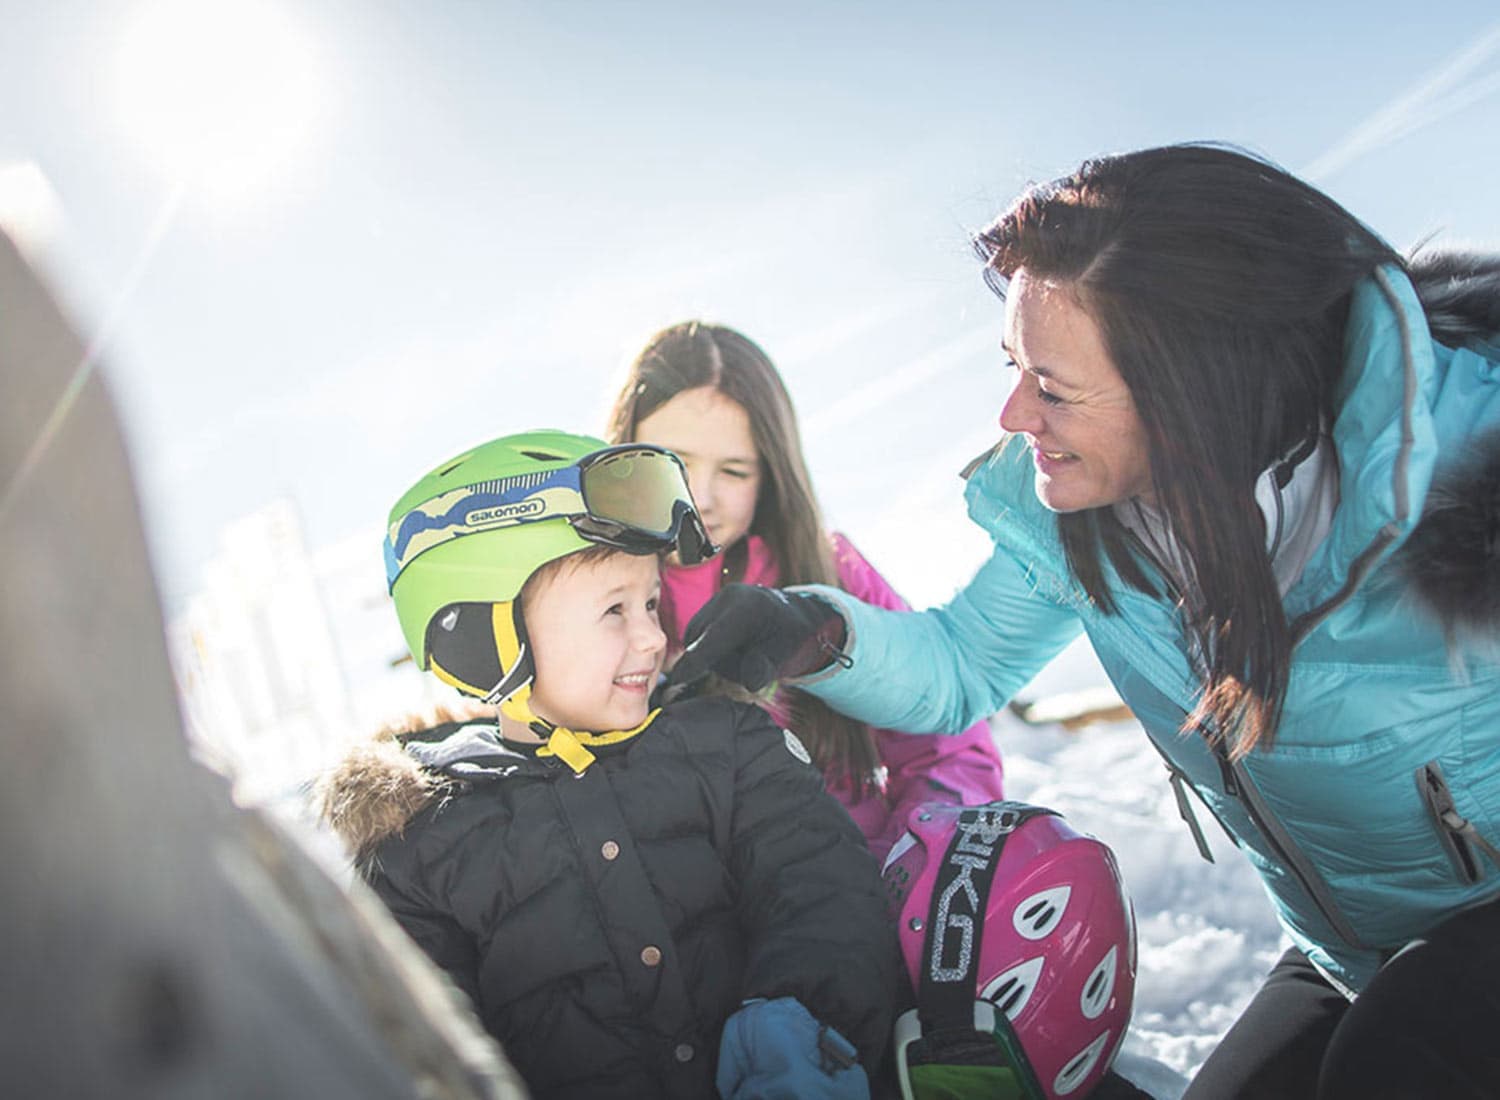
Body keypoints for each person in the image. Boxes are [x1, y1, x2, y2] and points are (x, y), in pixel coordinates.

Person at [664, 144, 1500, 1099]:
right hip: (1351, 953)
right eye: (1013, 365)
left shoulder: (1469, 470)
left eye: (1053, 387)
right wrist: (809, 630)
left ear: (1194, 388)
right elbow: (959, 666)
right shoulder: (1092, 519)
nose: (1014, 413)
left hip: (1450, 975)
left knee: (1398, 1055)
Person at [318, 430, 900, 1100]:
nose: (654, 636)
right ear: (485, 635)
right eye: (614, 610)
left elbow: (823, 886)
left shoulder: (727, 746)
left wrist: (801, 1026)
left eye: (651, 603)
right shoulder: (421, 843)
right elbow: (423, 1048)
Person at [606, 320, 1006, 861]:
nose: (699, 497)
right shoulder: (581, 586)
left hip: (844, 888)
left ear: (771, 475)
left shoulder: (827, 571)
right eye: (672, 461)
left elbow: (945, 748)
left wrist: (906, 869)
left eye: (733, 471)